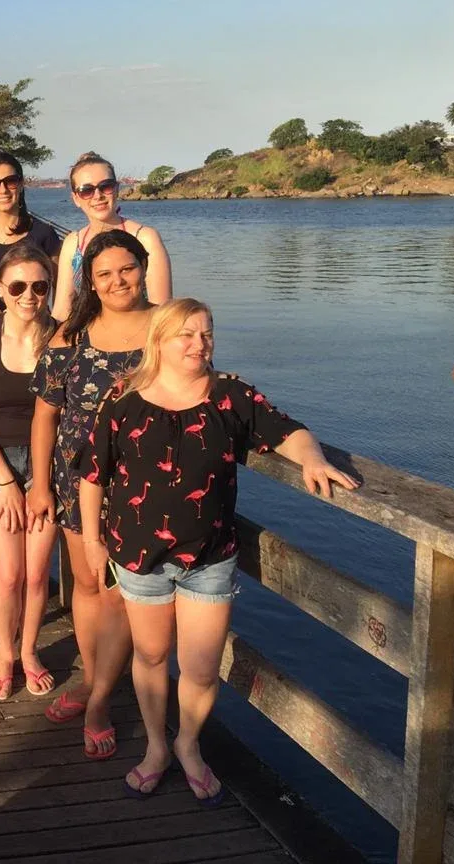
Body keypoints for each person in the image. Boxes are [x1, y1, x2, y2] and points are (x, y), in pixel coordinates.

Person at [77, 299, 358, 803]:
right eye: (185, 334)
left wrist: (312, 458)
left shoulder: (231, 396)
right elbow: (93, 474)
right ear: (159, 340)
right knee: (151, 654)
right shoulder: (123, 398)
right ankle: (156, 746)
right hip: (139, 556)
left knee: (202, 667)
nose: (199, 343)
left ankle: (188, 743)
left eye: (206, 333)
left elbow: (288, 431)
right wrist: (93, 543)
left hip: (209, 558)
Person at [28, 230, 155, 760]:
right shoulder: (71, 335)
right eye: (104, 273)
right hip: (75, 480)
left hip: (144, 484)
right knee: (86, 583)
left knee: (120, 594)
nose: (117, 281)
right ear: (90, 282)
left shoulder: (167, 328)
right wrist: (39, 484)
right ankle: (89, 676)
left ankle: (100, 699)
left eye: (127, 268)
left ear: (143, 267)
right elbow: (45, 416)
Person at [0, 245, 58, 701]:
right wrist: (5, 482)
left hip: (48, 464)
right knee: (7, 574)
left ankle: (29, 651)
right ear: (0, 288)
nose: (28, 295)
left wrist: (42, 481)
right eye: (18, 286)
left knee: (37, 575)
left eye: (39, 286)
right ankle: (4, 654)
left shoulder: (62, 338)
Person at [52, 152, 172, 321]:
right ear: (76, 198)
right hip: (88, 332)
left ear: (116, 189)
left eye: (105, 186)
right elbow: (62, 310)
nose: (98, 196)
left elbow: (162, 311)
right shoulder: (73, 243)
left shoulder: (145, 238)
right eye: (86, 190)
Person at [0, 152, 61, 307]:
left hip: (32, 320)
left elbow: (61, 289)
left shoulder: (44, 235)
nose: (3, 190)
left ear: (20, 185)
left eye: (11, 181)